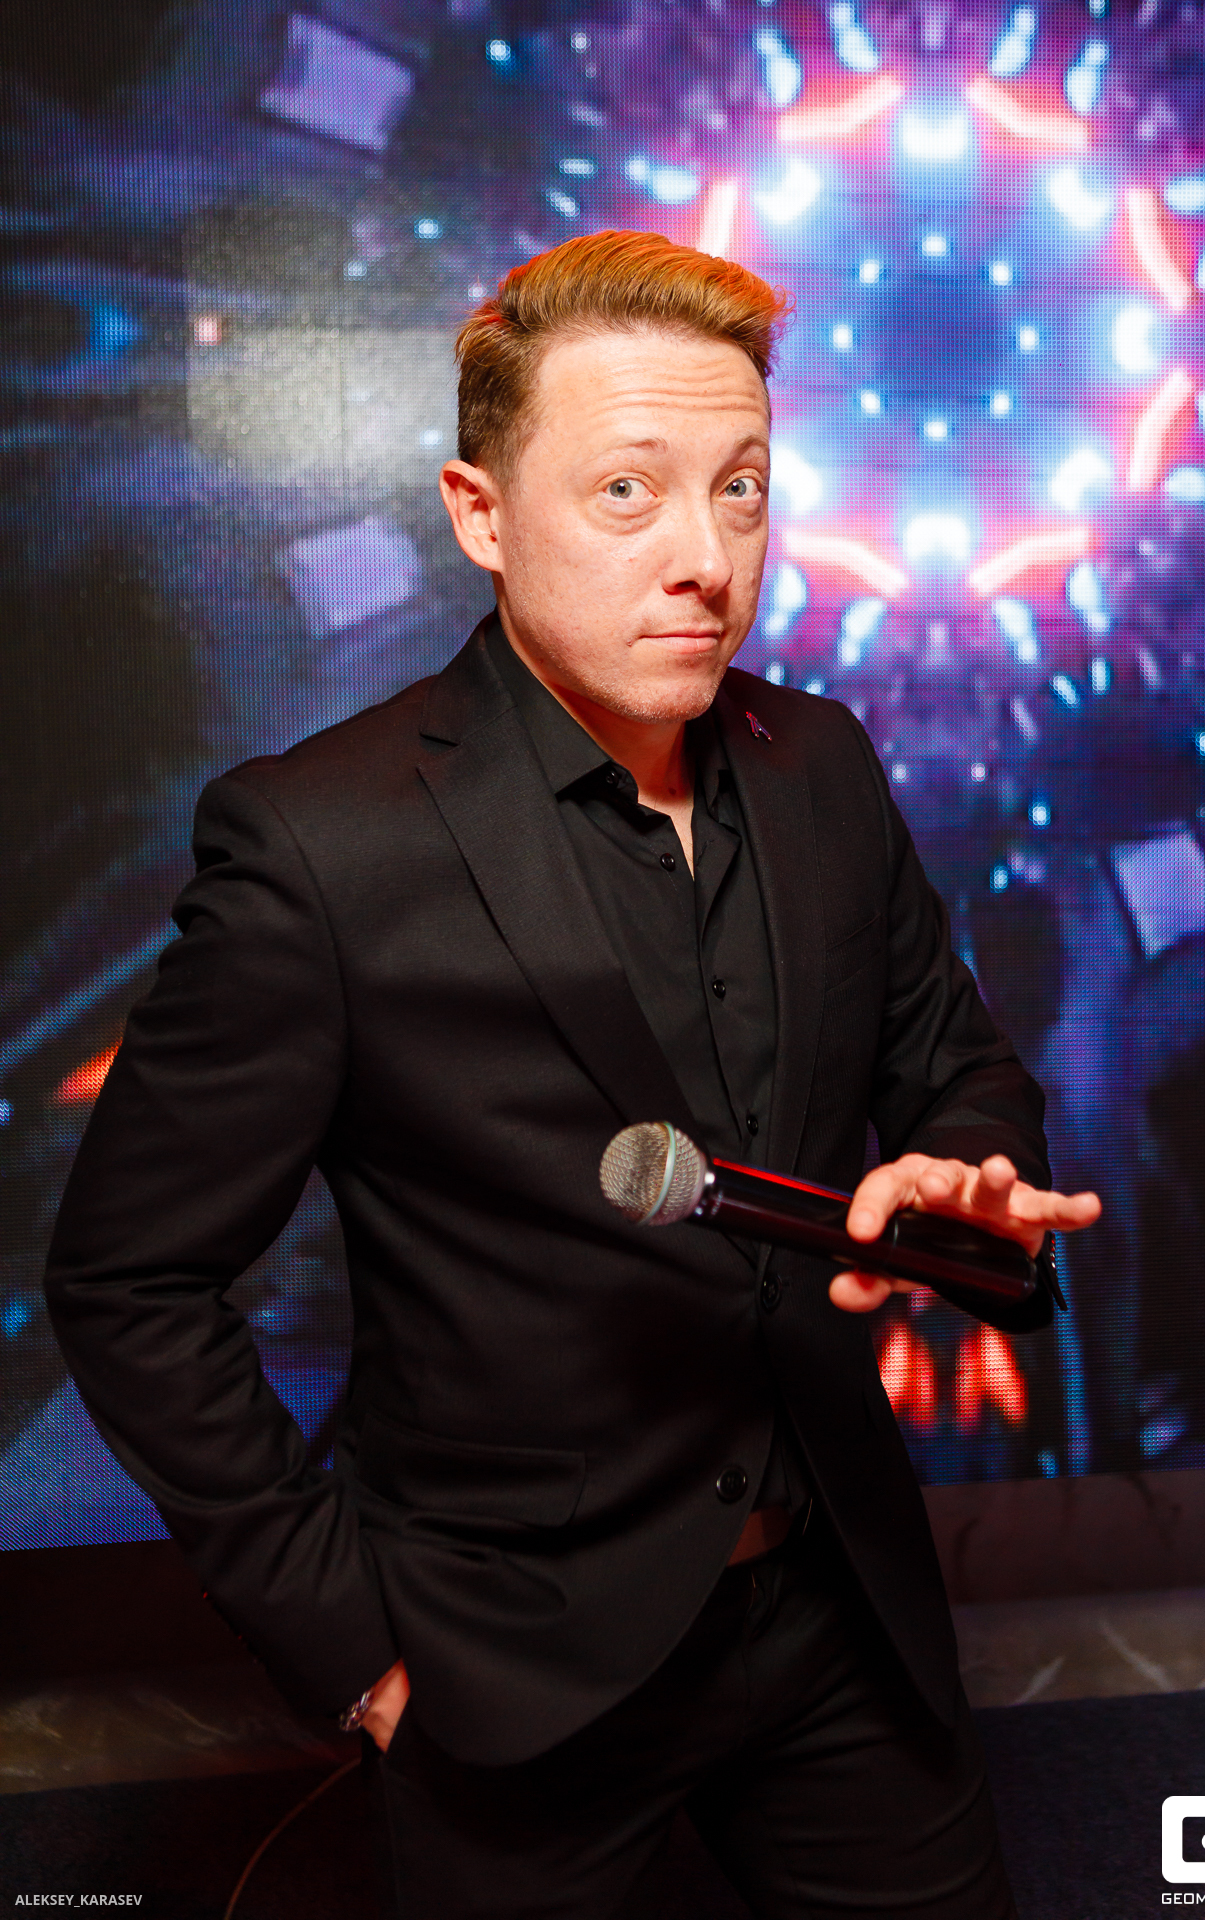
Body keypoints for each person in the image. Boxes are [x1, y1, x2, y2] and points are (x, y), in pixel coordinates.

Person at [43, 230, 1100, 1918]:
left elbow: (956, 1064)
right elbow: (129, 1281)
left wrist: (965, 1176)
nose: (706, 558)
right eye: (627, 491)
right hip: (508, 1679)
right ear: (480, 515)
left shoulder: (822, 763)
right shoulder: (320, 843)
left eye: (742, 490)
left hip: (843, 1622)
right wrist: (359, 1652)